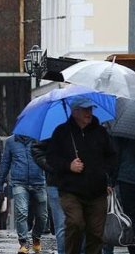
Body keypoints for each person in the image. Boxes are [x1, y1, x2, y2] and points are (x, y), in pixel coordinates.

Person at [47, 97, 117, 254]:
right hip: (70, 191)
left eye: (90, 109)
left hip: (97, 191)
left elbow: (112, 156)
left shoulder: (101, 132)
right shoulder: (61, 132)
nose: (89, 112)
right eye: (85, 109)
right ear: (75, 111)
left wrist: (108, 179)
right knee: (75, 223)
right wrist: (68, 165)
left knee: (96, 233)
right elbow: (51, 158)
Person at [0, 134, 48, 254]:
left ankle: (36, 237)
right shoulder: (11, 142)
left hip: (39, 182)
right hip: (19, 183)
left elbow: (48, 159)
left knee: (42, 216)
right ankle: (23, 242)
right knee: (21, 212)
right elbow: (5, 162)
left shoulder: (39, 140)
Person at [32, 139, 67, 254]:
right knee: (61, 225)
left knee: (81, 225)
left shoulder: (87, 129)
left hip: (82, 184)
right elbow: (37, 149)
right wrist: (52, 167)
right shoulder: (52, 130)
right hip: (56, 183)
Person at [103, 136, 135, 254]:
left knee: (130, 218)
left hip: (127, 177)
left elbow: (116, 153)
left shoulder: (124, 126)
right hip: (127, 176)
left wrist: (110, 180)